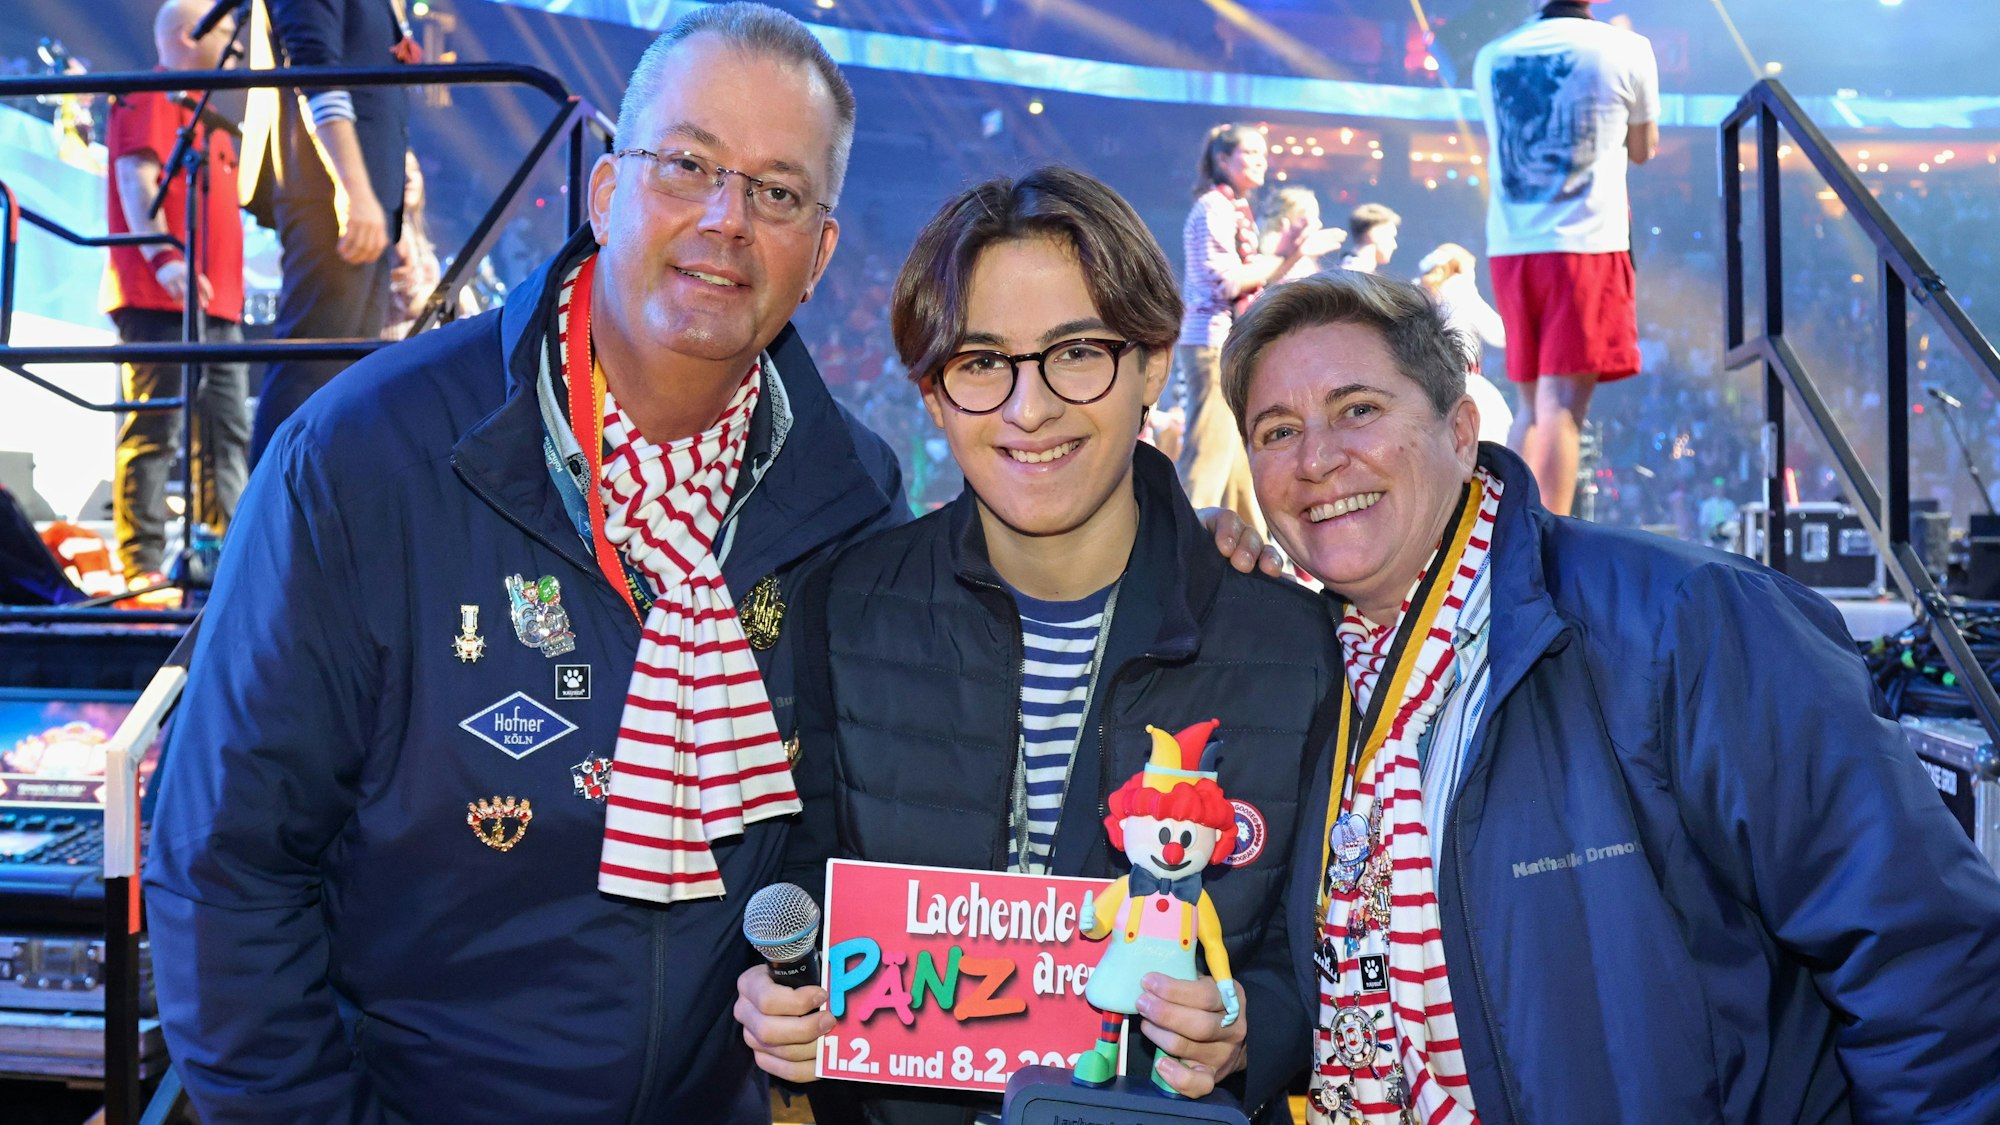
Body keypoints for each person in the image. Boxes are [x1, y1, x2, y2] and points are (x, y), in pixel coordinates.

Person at [145, 6, 905, 1121]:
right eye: (686, 163)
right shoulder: (366, 458)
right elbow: (226, 869)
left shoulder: (851, 494)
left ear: (819, 252)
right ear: (604, 192)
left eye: (777, 192)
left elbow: (862, 828)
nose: (725, 219)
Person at [1221, 269, 2000, 1123]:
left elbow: (1923, 960)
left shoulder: (1685, 621)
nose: (1317, 458)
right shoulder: (1305, 673)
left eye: (1358, 409)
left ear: (1461, 429)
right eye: (1276, 430)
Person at [735, 166, 1336, 1123]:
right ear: (934, 394)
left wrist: (1251, 1024)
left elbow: (1331, 969)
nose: (1029, 408)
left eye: (1077, 353)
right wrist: (785, 993)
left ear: (1150, 362)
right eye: (982, 362)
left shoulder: (1292, 644)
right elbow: (805, 873)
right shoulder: (847, 608)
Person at [1475, 0, 1658, 515]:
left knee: (1531, 405)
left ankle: (1498, 533)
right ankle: (1546, 543)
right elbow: (1643, 149)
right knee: (1562, 406)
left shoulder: (1493, 55)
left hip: (1512, 247)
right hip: (1583, 244)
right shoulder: (1627, 48)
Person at [102, 0, 250, 594]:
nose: (239, 49)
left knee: (225, 431)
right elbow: (136, 178)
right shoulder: (151, 96)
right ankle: (140, 566)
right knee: (155, 430)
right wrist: (166, 259)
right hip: (159, 299)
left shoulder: (208, 117)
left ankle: (225, 557)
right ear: (192, 36)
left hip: (217, 304)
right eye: (228, 39)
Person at [243, 0, 414, 465]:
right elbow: (314, 67)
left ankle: (318, 526)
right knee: (311, 368)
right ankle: (267, 527)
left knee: (345, 374)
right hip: (332, 198)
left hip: (366, 197)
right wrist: (353, 190)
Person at [1174, 123, 1324, 535]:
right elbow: (1229, 282)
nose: (1262, 161)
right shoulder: (1214, 208)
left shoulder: (1235, 209)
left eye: (1264, 154)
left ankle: (1261, 557)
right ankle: (1175, 550)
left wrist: (1291, 256)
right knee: (1208, 454)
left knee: (1239, 464)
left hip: (1228, 341)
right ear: (1223, 160)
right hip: (1211, 341)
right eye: (1251, 154)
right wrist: (1294, 252)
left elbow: (1254, 278)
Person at [1414, 242, 1513, 444]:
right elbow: (1498, 334)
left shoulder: (1417, 292)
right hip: (1464, 378)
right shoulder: (1460, 289)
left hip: (1427, 382)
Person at [1259, 186, 1343, 281]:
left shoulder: (1304, 256)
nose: (1319, 224)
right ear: (1294, 220)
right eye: (1313, 216)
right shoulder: (1284, 258)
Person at [1334, 203, 1399, 275]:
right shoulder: (1354, 274)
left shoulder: (1348, 271)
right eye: (1390, 236)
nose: (1394, 245)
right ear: (1374, 233)